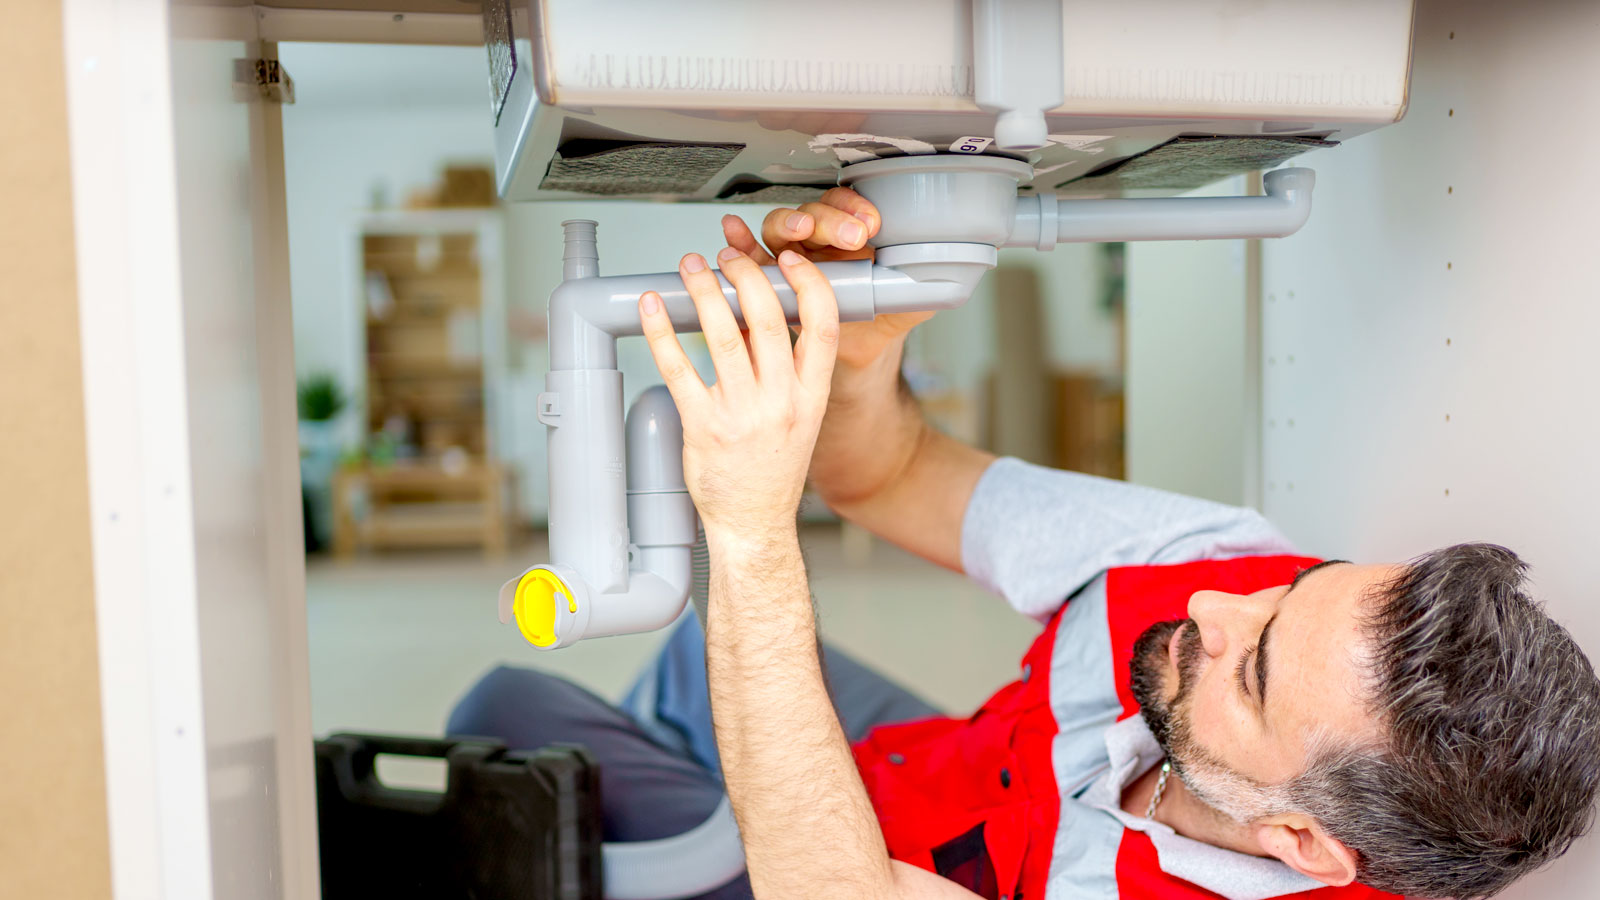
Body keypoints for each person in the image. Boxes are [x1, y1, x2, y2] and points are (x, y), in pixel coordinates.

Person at [448, 189, 1600, 900]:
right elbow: (889, 473)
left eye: (1247, 669)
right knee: (679, 675)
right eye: (1295, 592)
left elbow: (835, 893)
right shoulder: (1222, 569)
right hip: (944, 773)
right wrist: (864, 358)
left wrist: (749, 536)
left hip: (857, 871)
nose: (1214, 609)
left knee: (505, 712)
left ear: (1297, 839)